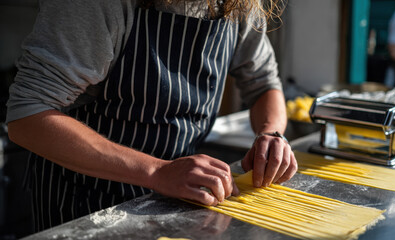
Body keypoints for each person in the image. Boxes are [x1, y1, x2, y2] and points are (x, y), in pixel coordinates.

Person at [6, 0, 297, 233]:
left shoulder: (236, 4)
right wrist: (156, 172)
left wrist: (271, 133)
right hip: (85, 202)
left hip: (177, 199)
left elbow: (264, 83)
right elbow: (28, 117)